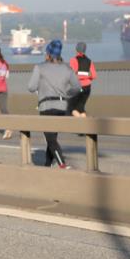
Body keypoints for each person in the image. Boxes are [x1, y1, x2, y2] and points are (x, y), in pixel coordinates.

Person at [27, 39, 81, 168]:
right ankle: (47, 165)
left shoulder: (39, 67)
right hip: (62, 107)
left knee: (50, 139)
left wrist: (41, 86)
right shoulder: (67, 68)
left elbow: (31, 87)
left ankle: (62, 163)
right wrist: (67, 93)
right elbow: (77, 87)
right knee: (52, 138)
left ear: (48, 54)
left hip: (46, 107)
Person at [68, 42, 97, 118]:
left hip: (78, 88)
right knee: (80, 108)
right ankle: (85, 126)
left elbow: (72, 75)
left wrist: (79, 75)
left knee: (70, 108)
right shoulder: (89, 61)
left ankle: (83, 122)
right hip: (87, 88)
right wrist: (86, 75)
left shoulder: (73, 60)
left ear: (76, 49)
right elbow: (94, 75)